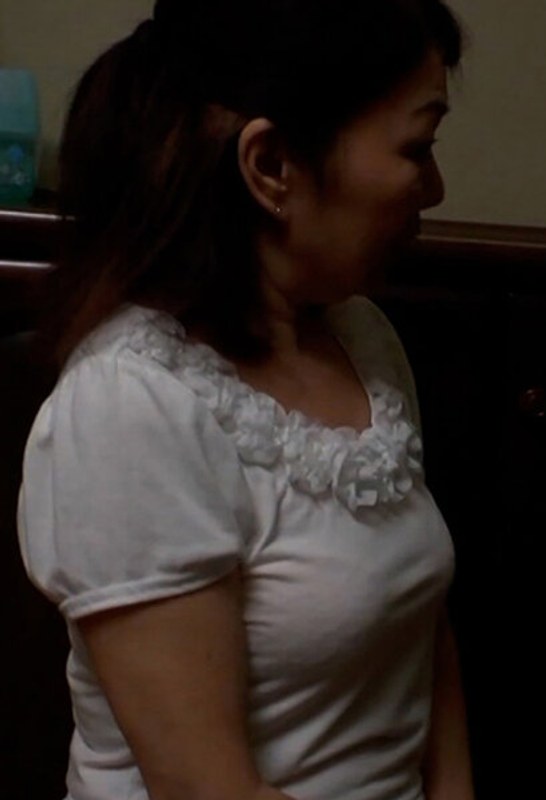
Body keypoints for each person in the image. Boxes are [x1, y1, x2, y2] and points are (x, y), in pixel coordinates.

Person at [18, 1, 475, 799]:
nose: (432, 188)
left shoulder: (361, 339)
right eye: (417, 147)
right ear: (270, 166)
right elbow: (206, 787)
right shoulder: (132, 405)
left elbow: (419, 631)